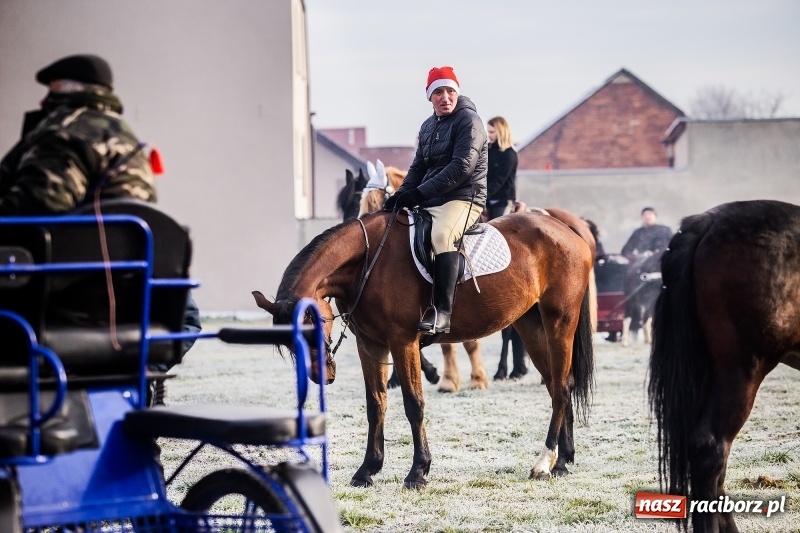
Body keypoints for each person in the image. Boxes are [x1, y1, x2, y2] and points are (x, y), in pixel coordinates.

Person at [0, 54, 200, 404]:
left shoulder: (62, 130)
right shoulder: (129, 140)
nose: (43, 100)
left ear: (63, 90)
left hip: (65, 293)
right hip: (128, 291)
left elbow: (30, 215)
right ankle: (146, 384)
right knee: (187, 312)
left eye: (50, 91)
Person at [383, 66, 487, 334]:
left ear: (457, 92)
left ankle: (443, 312)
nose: (445, 97)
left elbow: (462, 166)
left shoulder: (470, 121)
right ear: (429, 97)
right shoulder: (427, 126)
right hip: (434, 198)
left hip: (465, 197)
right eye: (438, 92)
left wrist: (418, 194)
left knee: (441, 236)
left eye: (450, 91)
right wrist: (400, 196)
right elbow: (418, 168)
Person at [485, 116, 518, 219]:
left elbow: (499, 181)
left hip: (502, 201)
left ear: (501, 132)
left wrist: (482, 196)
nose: (488, 135)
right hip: (486, 199)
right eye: (488, 132)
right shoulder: (486, 150)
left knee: (499, 229)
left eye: (492, 132)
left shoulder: (509, 154)